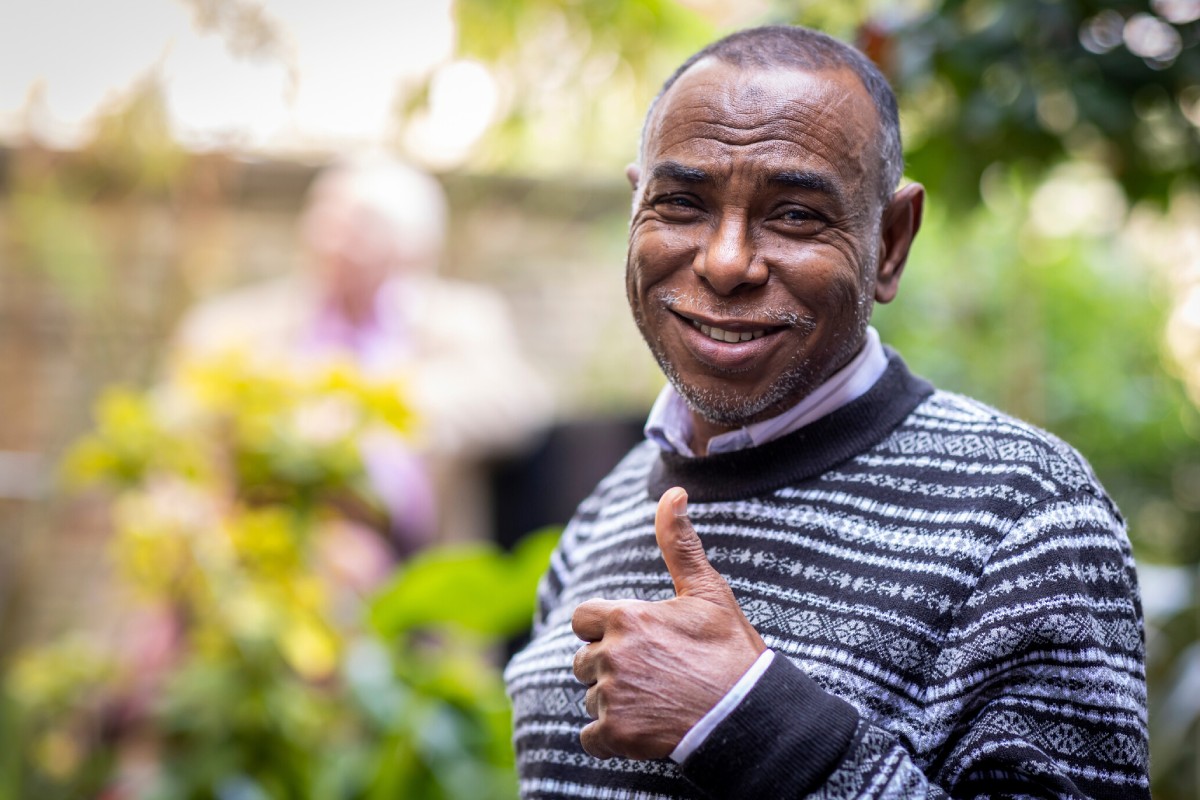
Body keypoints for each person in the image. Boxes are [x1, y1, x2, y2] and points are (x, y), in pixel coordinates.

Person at [504, 24, 1148, 799]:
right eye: (681, 203)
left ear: (891, 243)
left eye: (796, 216)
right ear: (636, 206)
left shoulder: (1025, 515)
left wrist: (747, 720)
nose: (726, 261)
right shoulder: (603, 514)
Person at [175, 156, 550, 552]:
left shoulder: (463, 319)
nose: (333, 239)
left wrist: (367, 410)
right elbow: (183, 417)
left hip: (406, 553)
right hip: (260, 540)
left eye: (359, 227)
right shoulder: (233, 324)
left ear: (409, 246)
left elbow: (519, 404)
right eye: (326, 218)